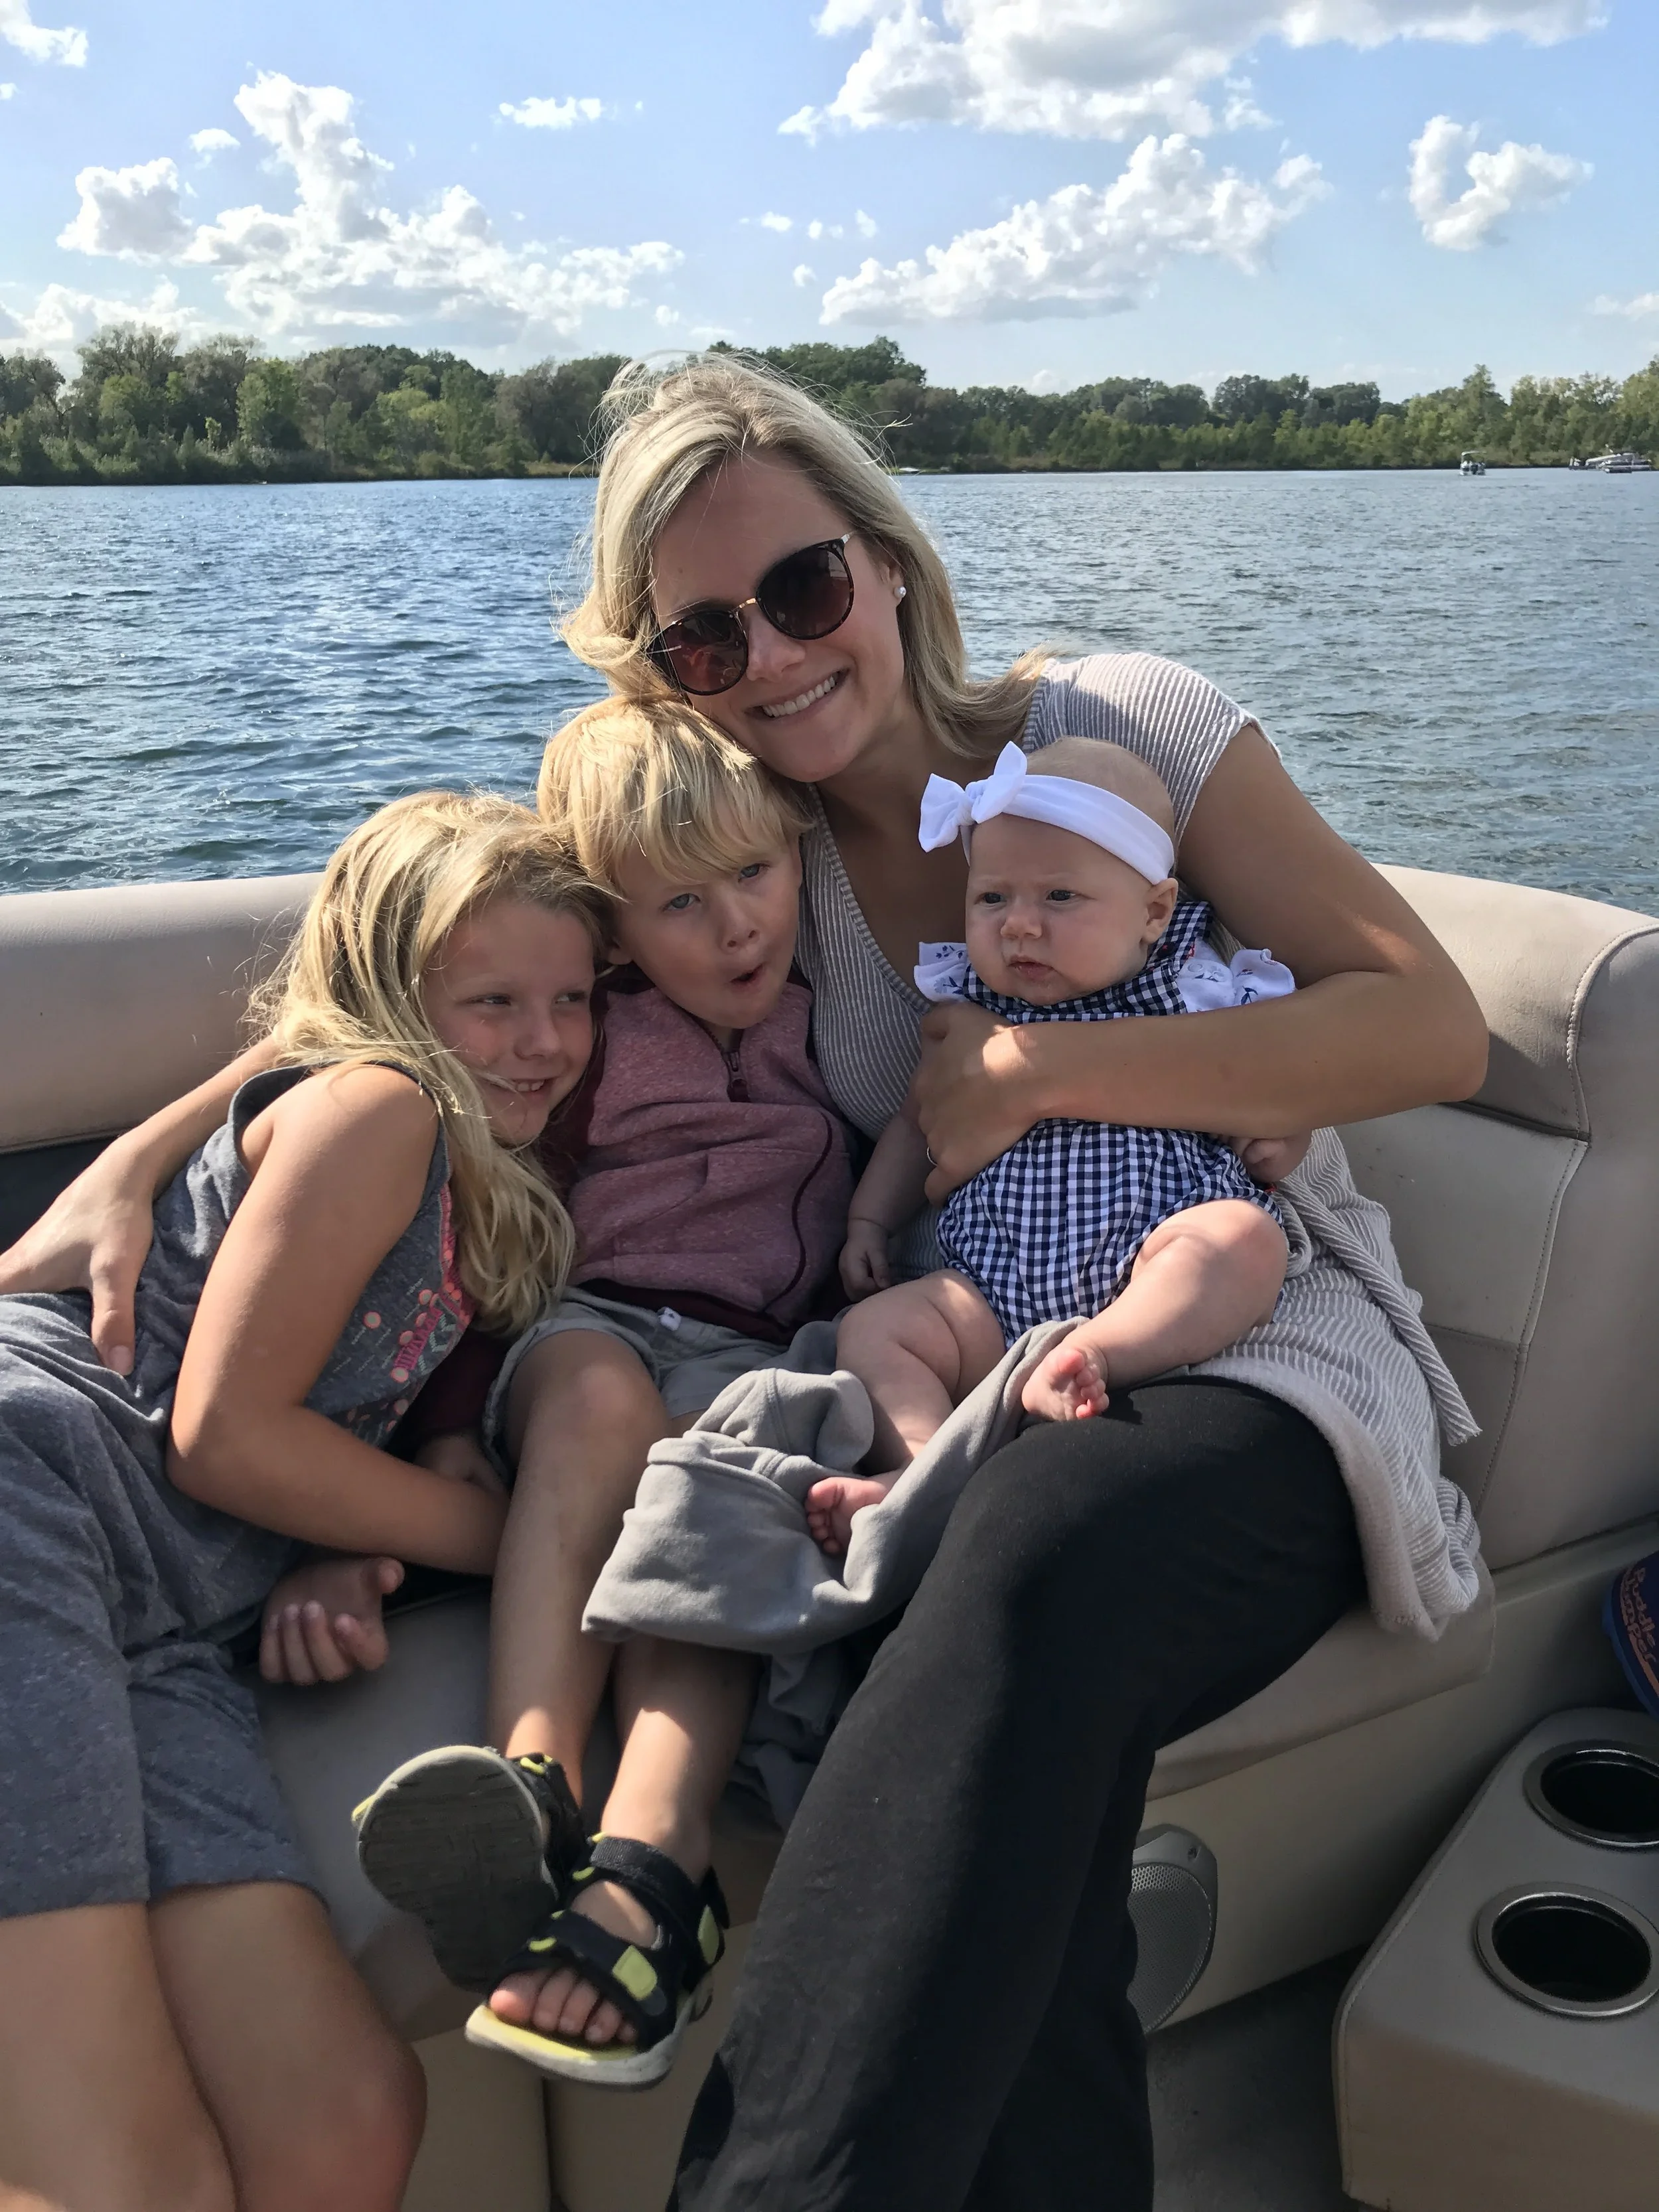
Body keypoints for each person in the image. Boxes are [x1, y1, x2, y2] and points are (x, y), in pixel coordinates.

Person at [0, 352, 1489, 2212]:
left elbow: (1421, 1019)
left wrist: (1032, 1072)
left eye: (800, 588)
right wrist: (148, 1149)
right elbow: (425, 1000)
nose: (775, 656)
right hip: (943, 1363)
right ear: (660, 677)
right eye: (703, 637)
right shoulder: (725, 842)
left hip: (1238, 1336)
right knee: (968, 1707)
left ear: (880, 558)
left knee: (1007, 1564)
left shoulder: (1105, 727)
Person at [0, 791, 602, 2212]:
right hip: (35, 1501)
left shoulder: (481, 1169)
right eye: (495, 998)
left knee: (343, 2120)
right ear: (397, 994)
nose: (546, 1041)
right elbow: (220, 1436)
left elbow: (349, 1437)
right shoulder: (380, 1104)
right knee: (122, 2176)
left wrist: (348, 1542)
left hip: (170, 1616)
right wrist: (531, 1546)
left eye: (575, 997)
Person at [350, 696, 858, 2089]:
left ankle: (650, 1854)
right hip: (592, 1324)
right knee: (592, 1403)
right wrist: (451, 1419)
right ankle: (531, 1787)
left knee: (721, 1484)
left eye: (754, 877)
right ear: (617, 934)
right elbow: (493, 1221)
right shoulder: (590, 1038)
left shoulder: (845, 1024)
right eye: (679, 904)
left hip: (761, 1359)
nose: (735, 927)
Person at [810, 735, 1304, 1550]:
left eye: (1061, 898)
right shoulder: (967, 1012)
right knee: (874, 1331)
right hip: (987, 1294)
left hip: (1150, 1263)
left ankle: (1096, 1355)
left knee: (1242, 1239)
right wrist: (868, 1222)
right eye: (991, 899)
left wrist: (1283, 1130)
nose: (1020, 927)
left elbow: (1269, 1077)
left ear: (1153, 911)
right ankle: (924, 1473)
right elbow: (913, 1123)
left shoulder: (1191, 989)